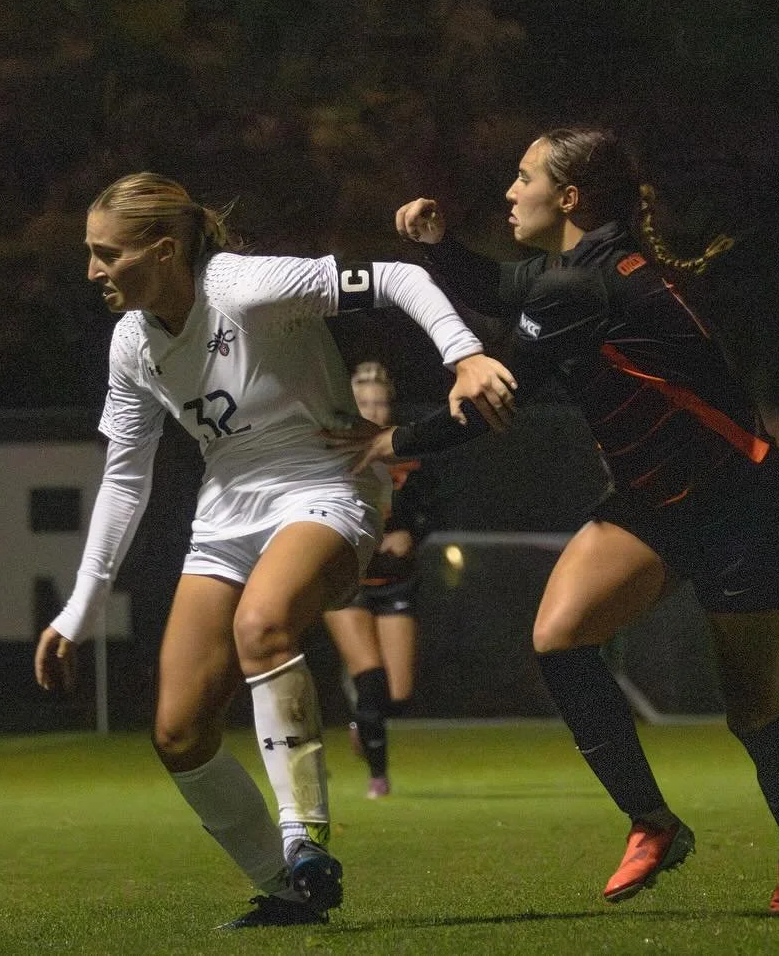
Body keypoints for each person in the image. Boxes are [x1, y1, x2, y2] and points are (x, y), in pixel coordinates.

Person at [340, 126, 779, 913]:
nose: (509, 191)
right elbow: (502, 286)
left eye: (523, 177)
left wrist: (385, 442)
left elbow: (493, 400)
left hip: (740, 508)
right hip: (654, 503)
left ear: (567, 198)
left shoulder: (581, 287)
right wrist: (438, 247)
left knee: (755, 713)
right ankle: (653, 822)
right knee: (559, 636)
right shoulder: (583, 268)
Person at [32, 171, 516, 928]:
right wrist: (77, 611)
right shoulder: (131, 343)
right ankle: (288, 889)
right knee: (179, 734)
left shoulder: (243, 286)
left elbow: (398, 276)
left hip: (329, 483)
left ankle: (305, 840)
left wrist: (465, 355)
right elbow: (126, 479)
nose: (93, 270)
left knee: (262, 624)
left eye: (107, 253)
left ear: (163, 252)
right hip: (226, 515)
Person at [323, 361, 434, 799]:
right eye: (364, 402)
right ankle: (378, 778)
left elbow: (432, 509)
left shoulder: (409, 453)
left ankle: (362, 720)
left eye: (380, 402)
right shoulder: (333, 452)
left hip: (396, 583)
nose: (372, 410)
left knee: (398, 694)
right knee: (369, 680)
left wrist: (412, 535)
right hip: (347, 584)